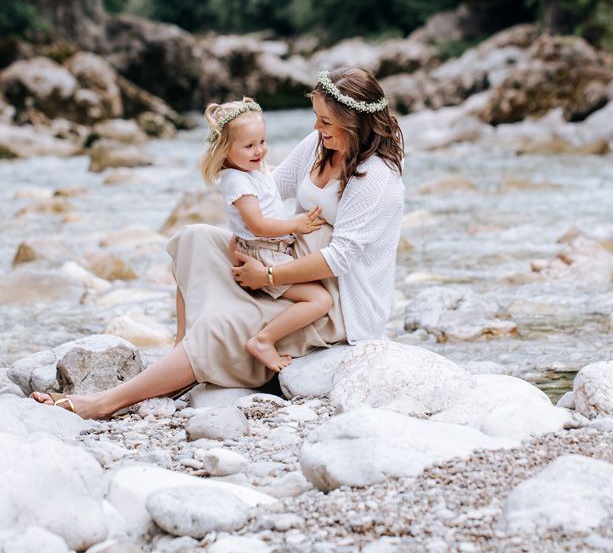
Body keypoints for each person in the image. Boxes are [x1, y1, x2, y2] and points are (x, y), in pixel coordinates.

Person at [33, 67, 404, 418]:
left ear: (354, 122)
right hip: (287, 256)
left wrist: (268, 276)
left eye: (325, 121)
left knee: (224, 325)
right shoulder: (319, 144)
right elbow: (272, 188)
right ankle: (182, 350)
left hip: (336, 299)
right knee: (193, 239)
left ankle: (101, 403)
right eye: (317, 117)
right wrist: (237, 193)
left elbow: (338, 260)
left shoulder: (376, 178)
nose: (316, 126)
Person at [199, 96, 331, 372]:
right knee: (320, 300)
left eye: (262, 141)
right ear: (225, 150)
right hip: (264, 255)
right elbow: (258, 224)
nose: (259, 150)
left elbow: (270, 182)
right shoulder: (236, 181)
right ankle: (264, 340)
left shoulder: (251, 167)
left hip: (274, 249)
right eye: (249, 146)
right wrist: (296, 225)